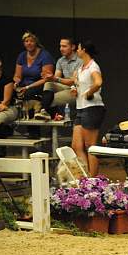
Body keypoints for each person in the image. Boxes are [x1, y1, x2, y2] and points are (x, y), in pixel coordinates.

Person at [70, 40, 105, 176]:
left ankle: (93, 180)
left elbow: (98, 82)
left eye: (78, 48)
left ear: (84, 50)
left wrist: (89, 93)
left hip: (93, 108)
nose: (76, 51)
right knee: (76, 146)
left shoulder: (93, 67)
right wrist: (74, 89)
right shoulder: (81, 68)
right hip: (81, 109)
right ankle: (86, 176)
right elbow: (75, 83)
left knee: (91, 146)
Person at [34, 37, 82, 120]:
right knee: (48, 84)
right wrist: (49, 77)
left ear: (73, 47)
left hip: (76, 90)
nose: (61, 49)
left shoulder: (80, 61)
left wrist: (55, 78)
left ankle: (46, 111)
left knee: (48, 100)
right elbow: (56, 80)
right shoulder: (61, 60)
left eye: (64, 46)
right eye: (60, 46)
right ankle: (45, 111)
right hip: (65, 87)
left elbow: (72, 82)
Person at [12, 31, 55, 110]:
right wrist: (16, 83)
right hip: (24, 85)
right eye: (26, 41)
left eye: (31, 41)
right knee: (10, 90)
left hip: (39, 85)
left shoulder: (45, 55)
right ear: (24, 43)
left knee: (28, 93)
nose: (29, 43)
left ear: (36, 42)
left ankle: (38, 110)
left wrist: (28, 87)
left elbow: (46, 78)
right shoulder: (22, 56)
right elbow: (17, 76)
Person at [0, 54, 18, 156]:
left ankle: (0, 150)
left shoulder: (7, 79)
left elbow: (6, 102)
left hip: (8, 109)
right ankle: (5, 131)